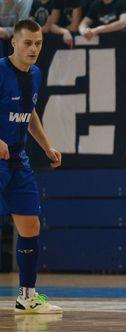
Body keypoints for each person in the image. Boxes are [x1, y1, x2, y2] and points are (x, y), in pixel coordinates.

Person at [0, 19, 62, 314]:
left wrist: (46, 145)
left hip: (18, 160)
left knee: (30, 225)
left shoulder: (34, 73)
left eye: (38, 43)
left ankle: (27, 296)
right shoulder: (0, 71)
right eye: (27, 43)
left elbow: (29, 110)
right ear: (13, 42)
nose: (34, 48)